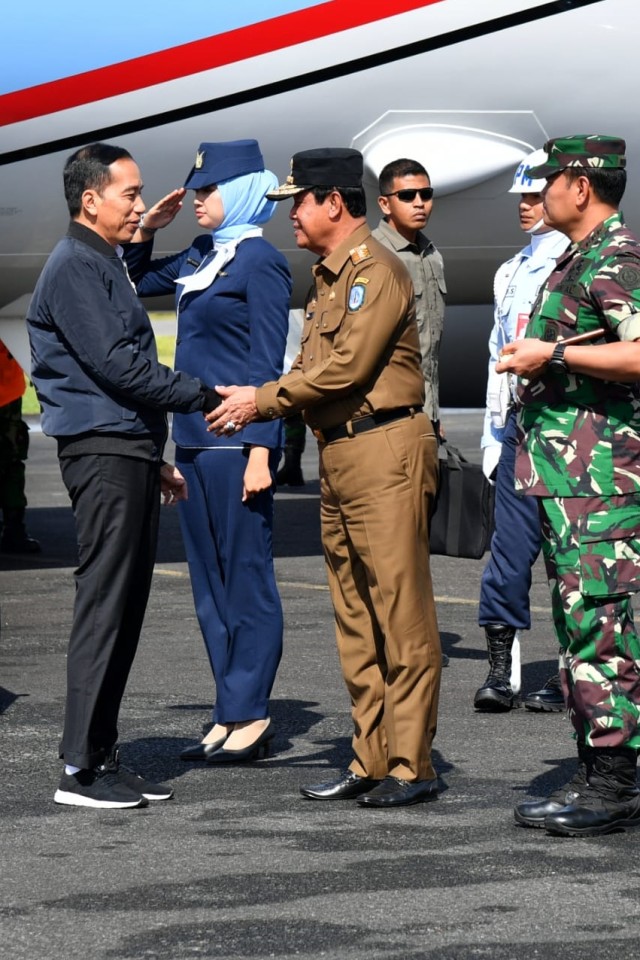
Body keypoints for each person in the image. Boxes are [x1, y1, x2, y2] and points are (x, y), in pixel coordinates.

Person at [205, 147, 442, 808]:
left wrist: (260, 398)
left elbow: (344, 371)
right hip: (341, 453)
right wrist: (265, 398)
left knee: (400, 612)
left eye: (299, 205)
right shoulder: (329, 277)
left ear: (332, 202)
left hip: (385, 449)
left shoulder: (376, 273)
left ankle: (411, 763)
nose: (292, 219)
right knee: (356, 616)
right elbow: (316, 370)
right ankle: (371, 758)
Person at [26, 142, 222, 809]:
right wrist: (207, 394)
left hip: (124, 449)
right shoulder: (77, 265)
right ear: (91, 200)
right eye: (130, 194)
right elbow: (119, 367)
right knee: (106, 606)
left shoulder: (99, 259)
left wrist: (150, 456)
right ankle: (78, 769)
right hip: (102, 450)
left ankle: (102, 756)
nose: (140, 204)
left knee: (127, 607)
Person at [124, 139, 291, 763]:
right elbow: (136, 281)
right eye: (196, 191)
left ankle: (251, 714)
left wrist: (261, 452)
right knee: (208, 587)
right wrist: (145, 228)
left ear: (244, 191)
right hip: (192, 441)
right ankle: (228, 709)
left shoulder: (260, 262)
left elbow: (266, 366)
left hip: (234, 443)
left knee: (246, 579)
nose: (196, 201)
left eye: (208, 191)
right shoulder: (204, 253)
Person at [498, 135, 640, 836]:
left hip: (604, 489)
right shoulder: (578, 258)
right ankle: (596, 773)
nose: (542, 188)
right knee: (582, 625)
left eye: (550, 177)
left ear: (580, 186)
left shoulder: (615, 257)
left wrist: (551, 352)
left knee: (601, 629)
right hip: (572, 485)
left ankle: (613, 786)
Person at [474, 150, 568, 713]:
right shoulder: (508, 272)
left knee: (570, 560)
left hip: (570, 433)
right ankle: (500, 670)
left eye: (535, 195)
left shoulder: (584, 265)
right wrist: (491, 435)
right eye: (521, 198)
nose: (526, 206)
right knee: (507, 556)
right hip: (515, 429)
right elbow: (494, 356)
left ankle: (570, 672)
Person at [372, 157, 446, 436]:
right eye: (406, 196)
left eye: (426, 194)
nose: (419, 203)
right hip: (386, 417)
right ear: (384, 204)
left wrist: (435, 414)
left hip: (425, 414)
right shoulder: (373, 256)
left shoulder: (433, 256)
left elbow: (430, 351)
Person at [0, 341, 40, 554]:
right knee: (12, 466)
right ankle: (14, 531)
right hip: (8, 394)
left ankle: (14, 530)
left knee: (12, 465)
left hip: (8, 394)